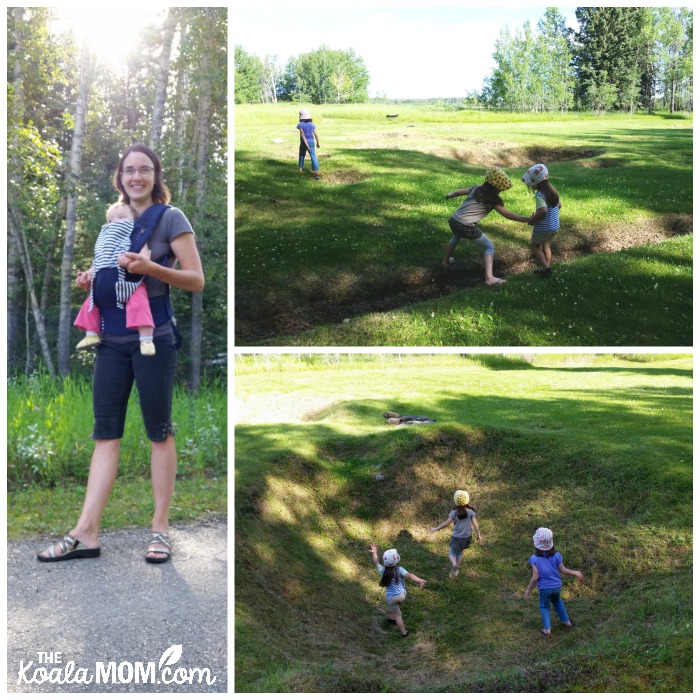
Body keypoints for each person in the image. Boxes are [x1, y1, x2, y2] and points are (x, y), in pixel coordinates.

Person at [37, 143, 205, 565]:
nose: (136, 177)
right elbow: (109, 266)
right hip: (110, 342)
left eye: (144, 169)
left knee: (158, 431)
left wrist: (151, 269)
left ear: (156, 175)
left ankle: (161, 529)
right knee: (105, 434)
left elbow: (196, 280)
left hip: (153, 341)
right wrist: (90, 278)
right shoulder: (114, 218)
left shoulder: (170, 218)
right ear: (120, 176)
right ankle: (86, 532)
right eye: (129, 170)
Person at [74, 202, 156, 356]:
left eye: (121, 217)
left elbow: (145, 258)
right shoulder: (105, 243)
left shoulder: (137, 235)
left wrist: (133, 261)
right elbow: (98, 262)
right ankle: (91, 335)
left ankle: (146, 339)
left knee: (139, 303)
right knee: (90, 305)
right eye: (110, 220)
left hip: (129, 283)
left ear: (133, 220)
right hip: (105, 284)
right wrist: (87, 275)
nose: (115, 222)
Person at [442, 166, 530, 285]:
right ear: (497, 189)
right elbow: (508, 215)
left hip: (454, 221)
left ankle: (445, 261)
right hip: (466, 226)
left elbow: (458, 192)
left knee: (456, 237)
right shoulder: (493, 201)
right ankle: (490, 278)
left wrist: (450, 195)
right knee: (489, 247)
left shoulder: (476, 189)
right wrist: (526, 219)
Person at [524, 527, 584, 637]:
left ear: (536, 543)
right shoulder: (556, 555)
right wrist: (575, 572)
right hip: (557, 586)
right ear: (551, 542)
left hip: (544, 588)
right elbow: (563, 570)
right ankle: (567, 622)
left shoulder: (534, 559)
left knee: (544, 606)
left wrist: (528, 590)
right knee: (557, 602)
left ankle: (547, 629)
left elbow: (535, 577)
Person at [369, 544, 426, 637]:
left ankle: (403, 632)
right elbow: (410, 575)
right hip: (402, 595)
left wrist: (374, 553)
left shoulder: (383, 571)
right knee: (396, 609)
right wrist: (419, 580)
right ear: (397, 559)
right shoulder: (400, 570)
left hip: (391, 598)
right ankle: (395, 620)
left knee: (398, 616)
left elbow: (376, 563)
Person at [428, 490, 483, 579]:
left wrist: (435, 529)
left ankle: (454, 565)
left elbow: (446, 523)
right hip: (467, 537)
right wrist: (478, 535)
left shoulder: (454, 512)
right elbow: (475, 525)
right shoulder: (470, 511)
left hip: (457, 537)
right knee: (460, 552)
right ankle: (455, 571)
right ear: (467, 500)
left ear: (455, 500)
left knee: (452, 553)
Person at [521, 163, 562, 277]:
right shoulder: (553, 191)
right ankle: (546, 269)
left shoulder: (540, 195)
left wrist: (532, 220)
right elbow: (559, 205)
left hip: (544, 228)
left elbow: (543, 211)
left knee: (535, 246)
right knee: (546, 246)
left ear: (535, 182)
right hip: (554, 226)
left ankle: (546, 269)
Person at [297, 108, 321, 180]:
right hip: (311, 142)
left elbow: (302, 135)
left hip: (304, 143)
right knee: (313, 156)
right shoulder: (312, 125)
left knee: (301, 155)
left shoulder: (300, 125)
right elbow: (316, 134)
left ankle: (300, 168)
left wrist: (306, 145)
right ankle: (316, 172)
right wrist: (318, 142)